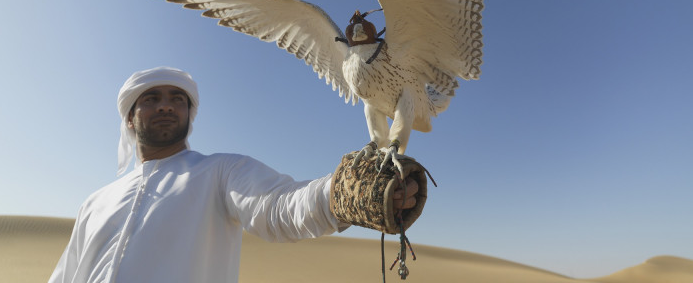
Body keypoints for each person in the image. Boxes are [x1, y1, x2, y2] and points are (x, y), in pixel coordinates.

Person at [49, 66, 419, 283]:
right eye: (151, 98)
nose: (165, 105)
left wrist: (342, 195)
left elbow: (280, 207)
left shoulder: (221, 172)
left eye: (178, 99)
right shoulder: (95, 203)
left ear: (189, 115)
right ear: (130, 117)